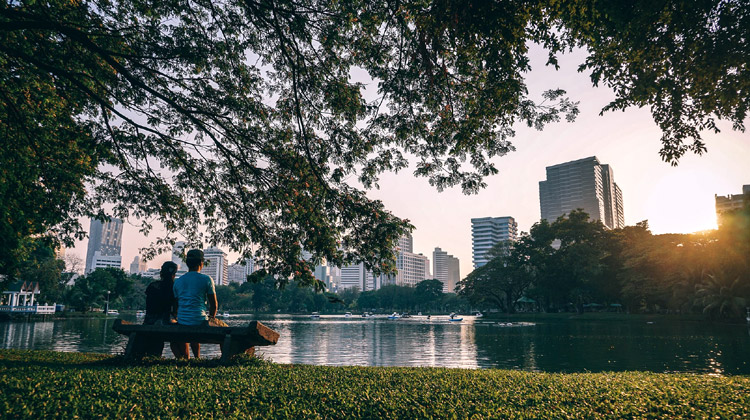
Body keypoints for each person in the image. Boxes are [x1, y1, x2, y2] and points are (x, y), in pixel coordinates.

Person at [173, 249, 227, 358]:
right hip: (200, 321)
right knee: (226, 330)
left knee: (191, 326)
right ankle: (225, 358)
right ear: (201, 263)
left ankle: (194, 358)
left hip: (183, 321)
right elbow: (214, 305)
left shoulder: (178, 281)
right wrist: (211, 318)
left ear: (187, 263)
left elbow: (176, 306)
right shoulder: (206, 279)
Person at [143, 261, 184, 357]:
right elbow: (175, 308)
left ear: (161, 273)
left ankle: (153, 355)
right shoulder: (174, 287)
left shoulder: (152, 286)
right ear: (174, 274)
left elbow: (148, 305)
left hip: (150, 320)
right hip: (165, 320)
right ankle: (183, 358)